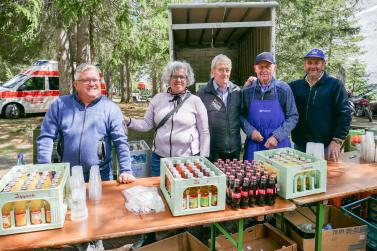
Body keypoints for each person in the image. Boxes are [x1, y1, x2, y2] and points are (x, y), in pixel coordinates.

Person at [37, 63, 135, 184]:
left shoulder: (111, 108)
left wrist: (126, 170)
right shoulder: (60, 105)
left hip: (101, 175)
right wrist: (45, 167)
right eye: (86, 80)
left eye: (95, 80)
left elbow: (121, 141)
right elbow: (46, 137)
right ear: (75, 84)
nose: (92, 83)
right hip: (68, 174)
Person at [126, 60, 210, 176]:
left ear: (187, 79)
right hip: (159, 159)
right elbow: (146, 124)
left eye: (182, 76)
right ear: (168, 79)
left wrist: (203, 158)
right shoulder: (157, 99)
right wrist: (128, 121)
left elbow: (204, 132)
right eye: (174, 76)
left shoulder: (195, 101)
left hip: (188, 160)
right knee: (159, 191)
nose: (178, 80)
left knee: (184, 193)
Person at [289, 48, 351, 161]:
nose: (313, 66)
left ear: (323, 65)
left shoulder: (335, 85)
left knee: (326, 178)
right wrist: (252, 85)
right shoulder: (294, 86)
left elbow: (344, 114)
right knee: (301, 177)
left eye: (317, 63)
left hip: (326, 146)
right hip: (299, 145)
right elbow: (276, 95)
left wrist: (337, 140)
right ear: (305, 65)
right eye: (309, 62)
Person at [241, 52, 298, 160]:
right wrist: (250, 131)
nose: (264, 70)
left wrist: (277, 136)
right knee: (253, 175)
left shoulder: (284, 89)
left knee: (278, 176)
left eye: (267, 66)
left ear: (274, 68)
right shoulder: (247, 91)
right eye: (260, 67)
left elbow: (293, 116)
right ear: (255, 68)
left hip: (278, 146)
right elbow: (240, 116)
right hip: (254, 145)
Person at [197, 54, 241, 162]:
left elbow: (243, 115)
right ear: (212, 72)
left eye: (227, 70)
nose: (225, 73)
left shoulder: (237, 91)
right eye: (221, 70)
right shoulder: (202, 94)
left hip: (234, 150)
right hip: (213, 152)